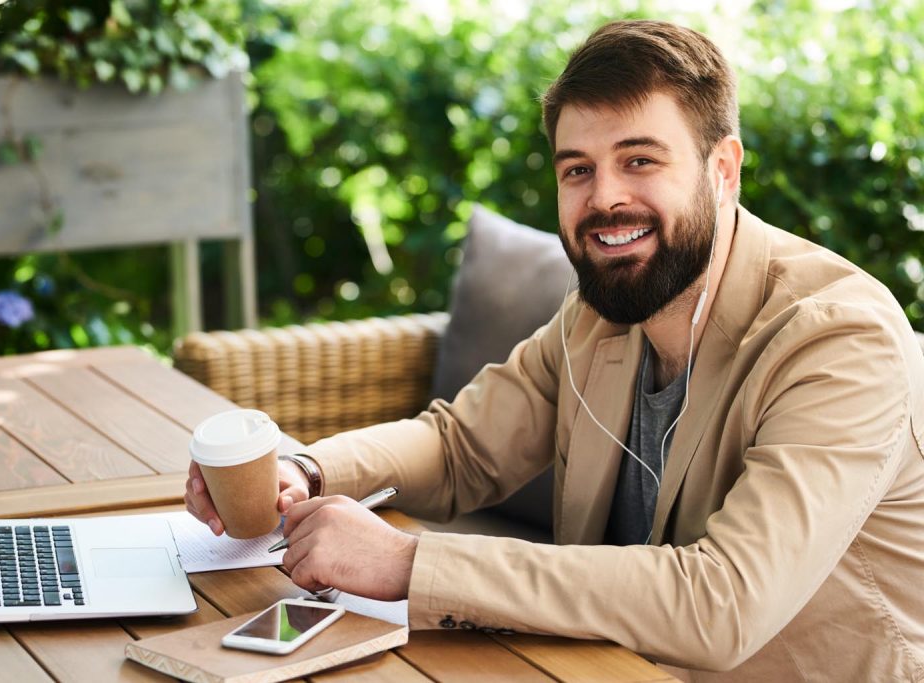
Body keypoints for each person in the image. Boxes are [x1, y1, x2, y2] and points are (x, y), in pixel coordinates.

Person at [185, 19, 924, 680]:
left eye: (640, 160)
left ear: (723, 169)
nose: (604, 199)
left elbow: (721, 602)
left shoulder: (838, 338)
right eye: (578, 169)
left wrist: (408, 563)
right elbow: (459, 445)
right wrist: (305, 470)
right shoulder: (604, 310)